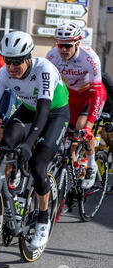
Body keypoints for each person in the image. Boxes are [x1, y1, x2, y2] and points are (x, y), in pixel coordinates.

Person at [0, 31, 70, 250]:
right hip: (28, 110)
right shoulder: (4, 72)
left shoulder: (45, 69)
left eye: (16, 62)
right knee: (5, 147)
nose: (11, 67)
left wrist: (28, 142)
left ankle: (43, 219)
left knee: (38, 164)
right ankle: (0, 200)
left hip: (54, 113)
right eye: (7, 61)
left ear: (28, 58)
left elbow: (43, 113)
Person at [46, 22, 107, 189]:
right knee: (65, 138)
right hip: (70, 96)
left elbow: (96, 93)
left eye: (68, 46)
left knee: (82, 128)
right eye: (60, 45)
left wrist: (89, 125)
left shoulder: (89, 58)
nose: (64, 49)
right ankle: (73, 169)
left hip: (90, 95)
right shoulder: (52, 57)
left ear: (77, 43)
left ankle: (92, 166)